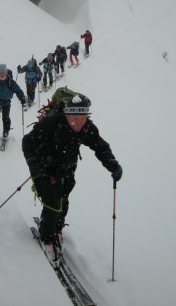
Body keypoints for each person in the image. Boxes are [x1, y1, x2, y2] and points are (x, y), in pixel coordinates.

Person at [22, 93, 122, 262]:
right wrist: (34, 166)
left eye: (83, 119)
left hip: (67, 170)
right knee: (52, 203)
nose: (79, 123)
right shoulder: (51, 123)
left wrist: (111, 163)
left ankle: (57, 229)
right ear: (67, 115)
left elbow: (100, 146)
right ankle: (46, 236)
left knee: (63, 201)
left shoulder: (87, 127)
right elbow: (28, 142)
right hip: (44, 170)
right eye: (75, 118)